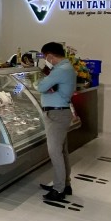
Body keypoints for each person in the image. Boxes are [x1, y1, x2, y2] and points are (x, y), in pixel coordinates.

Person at [37, 42, 77, 200]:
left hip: (56, 114)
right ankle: (65, 184)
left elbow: (41, 87)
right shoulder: (66, 68)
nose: (45, 60)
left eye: (45, 57)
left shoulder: (61, 70)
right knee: (62, 152)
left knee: (55, 153)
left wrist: (45, 84)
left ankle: (59, 189)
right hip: (61, 112)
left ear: (50, 56)